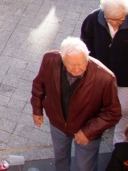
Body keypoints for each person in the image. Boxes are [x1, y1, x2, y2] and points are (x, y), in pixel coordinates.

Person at [31, 37, 121, 171]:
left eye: (82, 63)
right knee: (60, 160)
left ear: (88, 56)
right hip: (58, 124)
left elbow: (113, 112)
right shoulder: (49, 59)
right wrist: (37, 110)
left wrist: (88, 131)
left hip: (87, 129)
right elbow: (39, 85)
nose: (78, 69)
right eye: (72, 65)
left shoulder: (105, 77)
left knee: (84, 167)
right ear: (62, 59)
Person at [80, 0, 128, 144]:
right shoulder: (93, 18)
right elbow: (86, 41)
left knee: (122, 110)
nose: (116, 24)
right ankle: (105, 123)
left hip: (125, 79)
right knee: (102, 102)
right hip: (101, 75)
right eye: (111, 19)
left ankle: (119, 143)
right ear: (103, 12)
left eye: (120, 19)